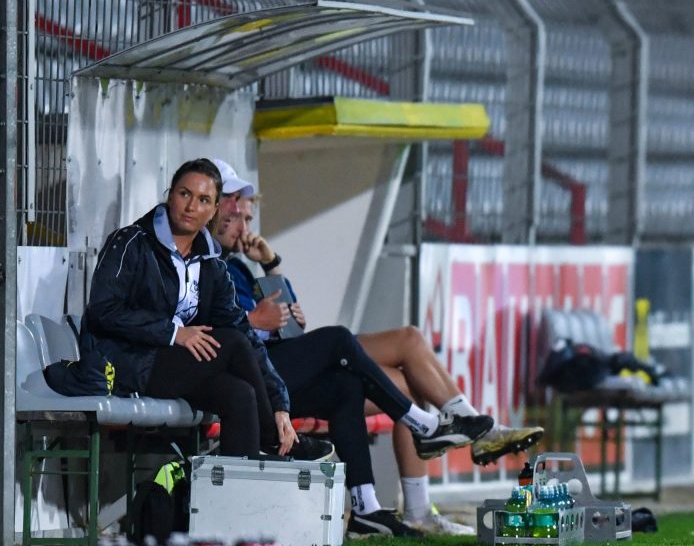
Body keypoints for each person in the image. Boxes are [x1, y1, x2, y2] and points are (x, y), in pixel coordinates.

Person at [211, 159, 544, 535]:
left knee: (387, 382)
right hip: (257, 374)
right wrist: (259, 321)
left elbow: (292, 328)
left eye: (248, 219)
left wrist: (272, 266)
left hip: (275, 364)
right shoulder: (211, 264)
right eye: (238, 215)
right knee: (388, 341)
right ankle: (450, 432)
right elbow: (238, 329)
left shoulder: (237, 266)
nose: (244, 227)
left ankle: (387, 503)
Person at [71, 158, 331, 460]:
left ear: (214, 209)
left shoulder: (211, 265)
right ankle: (275, 440)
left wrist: (280, 405)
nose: (191, 206)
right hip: (123, 364)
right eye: (184, 194)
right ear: (170, 196)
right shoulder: (131, 242)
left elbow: (242, 330)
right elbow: (103, 310)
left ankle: (235, 498)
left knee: (240, 394)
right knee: (231, 344)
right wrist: (173, 333)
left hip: (170, 368)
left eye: (203, 199)